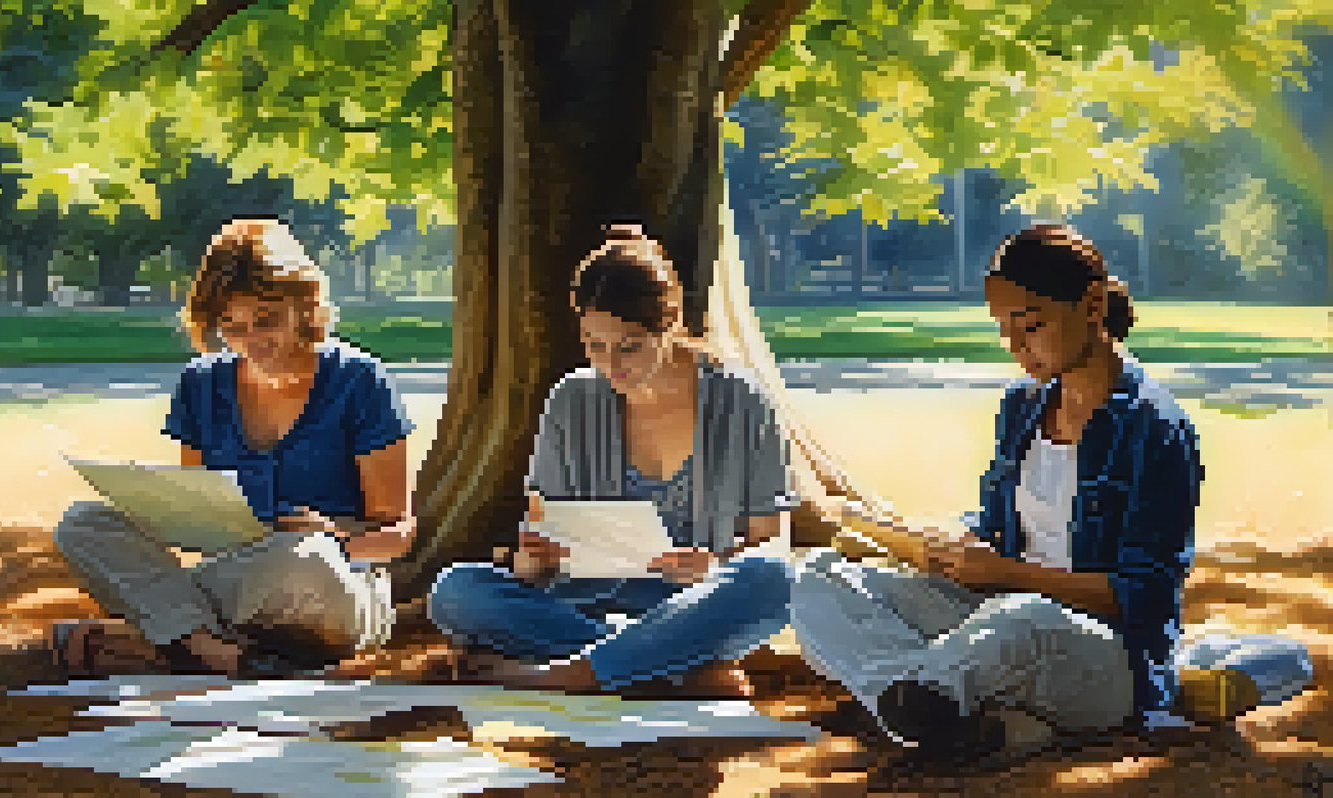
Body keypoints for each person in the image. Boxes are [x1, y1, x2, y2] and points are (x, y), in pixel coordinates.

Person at [789, 224, 1206, 765]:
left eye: (1030, 326)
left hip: (1102, 654)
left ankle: (915, 704)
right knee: (821, 580)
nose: (1014, 347)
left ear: (1093, 305)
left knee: (1021, 619)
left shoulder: (1155, 427)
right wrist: (955, 547)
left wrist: (1006, 575)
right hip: (996, 615)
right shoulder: (1021, 408)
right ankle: (952, 714)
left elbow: (1145, 599)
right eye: (1003, 328)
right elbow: (1002, 527)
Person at [423, 223, 794, 698]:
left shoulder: (741, 400)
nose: (611, 364)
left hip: (694, 606)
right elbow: (542, 533)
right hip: (582, 602)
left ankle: (567, 674)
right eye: (595, 345)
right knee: (456, 590)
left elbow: (770, 544)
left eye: (629, 346)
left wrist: (714, 567)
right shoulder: (571, 399)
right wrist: (531, 563)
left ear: (670, 323)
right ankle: (668, 670)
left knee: (774, 578)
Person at [53, 217, 416, 678]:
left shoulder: (359, 380)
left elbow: (399, 536)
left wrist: (335, 536)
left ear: (304, 307)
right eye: (232, 325)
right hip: (236, 576)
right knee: (82, 524)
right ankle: (218, 651)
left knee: (303, 562)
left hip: (333, 582)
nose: (251, 342)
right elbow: (191, 514)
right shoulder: (201, 384)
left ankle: (171, 638)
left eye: (266, 321)